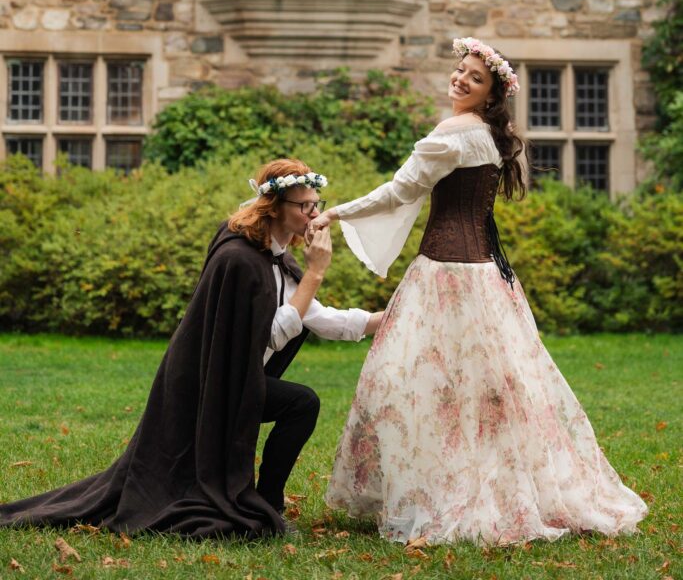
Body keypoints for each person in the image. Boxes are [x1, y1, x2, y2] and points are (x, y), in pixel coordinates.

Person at [310, 38, 648, 546]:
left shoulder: (454, 133)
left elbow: (400, 192)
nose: (461, 79)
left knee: (412, 384)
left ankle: (439, 494)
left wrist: (336, 212)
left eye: (475, 77)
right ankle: (476, 481)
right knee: (490, 390)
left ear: (491, 94)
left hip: (446, 275)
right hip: (484, 276)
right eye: (461, 70)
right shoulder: (489, 137)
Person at [0, 158, 382, 540]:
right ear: (274, 207)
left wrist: (392, 315)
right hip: (205, 387)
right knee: (302, 402)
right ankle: (266, 505)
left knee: (300, 403)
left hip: (236, 379)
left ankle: (267, 503)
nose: (316, 214)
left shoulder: (277, 258)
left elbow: (317, 316)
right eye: (305, 206)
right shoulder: (241, 259)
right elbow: (273, 336)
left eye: (316, 203)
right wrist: (316, 273)